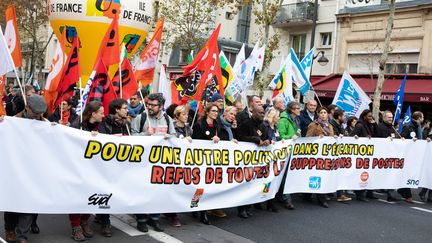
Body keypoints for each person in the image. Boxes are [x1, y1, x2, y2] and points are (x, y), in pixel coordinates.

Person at [2, 95, 48, 243]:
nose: (38, 116)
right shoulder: (12, 122)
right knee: (13, 202)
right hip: (15, 170)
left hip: (35, 171)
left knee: (30, 202)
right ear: (27, 108)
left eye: (41, 113)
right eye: (35, 113)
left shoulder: (46, 124)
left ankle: (22, 235)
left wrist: (56, 129)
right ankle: (10, 229)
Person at [131, 93, 175, 232]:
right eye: (148, 104)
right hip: (143, 163)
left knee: (158, 191)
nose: (149, 107)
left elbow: (175, 136)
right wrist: (145, 135)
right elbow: (131, 137)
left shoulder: (167, 119)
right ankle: (142, 220)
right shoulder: (141, 118)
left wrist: (171, 136)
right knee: (142, 191)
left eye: (153, 105)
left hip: (161, 162)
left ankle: (154, 219)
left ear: (161, 106)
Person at [69, 101, 104, 241]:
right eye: (101, 112)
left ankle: (84, 221)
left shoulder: (102, 125)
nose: (103, 115)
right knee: (78, 197)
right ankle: (75, 226)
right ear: (93, 113)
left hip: (95, 168)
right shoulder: (77, 125)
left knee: (91, 196)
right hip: (78, 167)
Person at [96, 98, 130, 237]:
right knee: (106, 191)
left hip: (122, 164)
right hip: (107, 164)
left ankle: (100, 215)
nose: (127, 111)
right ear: (116, 109)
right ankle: (105, 222)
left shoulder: (126, 124)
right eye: (124, 108)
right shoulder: (104, 123)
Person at [237, 105, 271, 218]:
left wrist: (267, 141)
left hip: (258, 160)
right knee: (245, 184)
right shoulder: (246, 124)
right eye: (260, 113)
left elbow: (267, 137)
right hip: (246, 160)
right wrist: (256, 140)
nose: (262, 114)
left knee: (254, 183)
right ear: (253, 113)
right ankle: (241, 208)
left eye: (263, 113)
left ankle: (248, 206)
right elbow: (240, 137)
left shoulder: (263, 125)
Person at [192, 103, 221, 224]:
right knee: (200, 185)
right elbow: (196, 140)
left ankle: (203, 211)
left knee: (208, 185)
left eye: (217, 111)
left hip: (212, 160)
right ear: (207, 112)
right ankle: (195, 205)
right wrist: (209, 140)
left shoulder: (216, 125)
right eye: (213, 111)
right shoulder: (199, 124)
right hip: (200, 159)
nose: (215, 113)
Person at [305, 107, 334, 208]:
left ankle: (310, 195)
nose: (323, 114)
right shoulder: (313, 125)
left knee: (324, 175)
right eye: (321, 113)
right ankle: (320, 198)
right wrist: (317, 139)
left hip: (326, 154)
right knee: (316, 175)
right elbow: (308, 138)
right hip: (316, 154)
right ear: (318, 114)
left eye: (325, 113)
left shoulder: (329, 126)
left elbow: (332, 137)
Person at [276, 101, 301, 210]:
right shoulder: (283, 121)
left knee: (288, 174)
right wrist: (292, 136)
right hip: (286, 151)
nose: (299, 110)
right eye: (297, 108)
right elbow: (281, 137)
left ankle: (281, 196)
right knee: (285, 175)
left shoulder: (296, 120)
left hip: (293, 150)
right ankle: (286, 199)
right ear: (292, 110)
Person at [350, 109, 378, 202]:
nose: (371, 118)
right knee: (361, 174)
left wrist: (374, 125)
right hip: (361, 154)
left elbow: (377, 135)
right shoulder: (360, 125)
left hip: (369, 153)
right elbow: (352, 137)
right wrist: (362, 139)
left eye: (371, 116)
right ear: (364, 116)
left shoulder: (370, 125)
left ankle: (370, 193)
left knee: (370, 173)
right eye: (369, 116)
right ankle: (360, 194)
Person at [399, 111, 425, 203]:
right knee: (407, 174)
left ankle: (401, 190)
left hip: (416, 154)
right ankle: (408, 195)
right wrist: (410, 140)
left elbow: (421, 139)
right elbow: (401, 139)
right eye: (422, 117)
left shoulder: (418, 126)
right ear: (419, 118)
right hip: (408, 154)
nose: (423, 119)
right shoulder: (408, 126)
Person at [328, 108, 352, 202]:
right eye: (344, 116)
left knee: (340, 172)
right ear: (339, 117)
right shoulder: (332, 125)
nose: (345, 117)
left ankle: (340, 194)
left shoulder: (340, 125)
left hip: (339, 153)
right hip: (333, 153)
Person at [376, 110, 400, 202]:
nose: (391, 119)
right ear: (384, 118)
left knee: (391, 174)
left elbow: (395, 138)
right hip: (383, 155)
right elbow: (377, 139)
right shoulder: (380, 127)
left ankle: (390, 194)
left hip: (392, 155)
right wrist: (385, 140)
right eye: (389, 117)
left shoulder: (392, 127)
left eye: (391, 117)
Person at [260, 108, 280, 212]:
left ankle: (270, 202)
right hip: (265, 156)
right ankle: (259, 201)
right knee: (263, 179)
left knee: (273, 178)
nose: (279, 118)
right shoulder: (264, 125)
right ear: (273, 116)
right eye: (278, 116)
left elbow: (278, 138)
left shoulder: (275, 127)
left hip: (274, 157)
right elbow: (262, 138)